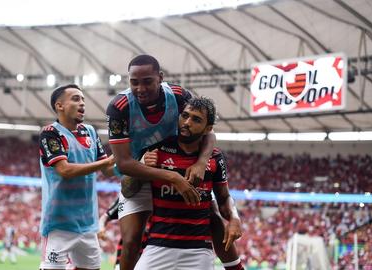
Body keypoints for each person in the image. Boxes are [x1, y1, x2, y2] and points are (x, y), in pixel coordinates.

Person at [106, 54, 213, 270]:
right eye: (134, 82)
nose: (140, 88)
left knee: (215, 219)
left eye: (147, 81)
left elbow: (207, 132)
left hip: (177, 169)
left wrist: (202, 161)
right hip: (140, 174)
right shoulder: (119, 107)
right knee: (131, 241)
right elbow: (124, 163)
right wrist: (172, 177)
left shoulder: (179, 96)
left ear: (160, 78)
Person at [134, 97, 242, 270]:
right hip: (158, 246)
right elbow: (130, 189)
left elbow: (224, 197)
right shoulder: (157, 149)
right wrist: (142, 165)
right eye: (185, 115)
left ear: (208, 128)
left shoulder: (214, 158)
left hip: (198, 250)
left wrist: (235, 218)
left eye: (196, 119)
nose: (187, 122)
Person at [39, 84, 116, 270]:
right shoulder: (50, 132)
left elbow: (108, 171)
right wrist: (106, 163)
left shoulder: (90, 131)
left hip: (88, 225)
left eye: (83, 99)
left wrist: (136, 163)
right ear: (60, 106)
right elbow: (64, 170)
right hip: (59, 225)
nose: (82, 103)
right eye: (75, 99)